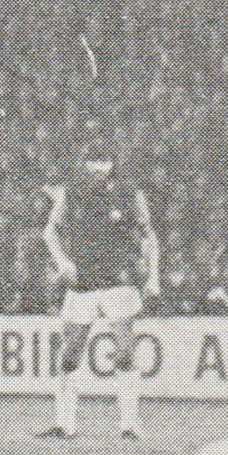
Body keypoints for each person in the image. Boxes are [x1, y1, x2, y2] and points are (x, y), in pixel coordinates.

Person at [39, 145, 160, 440]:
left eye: (103, 162)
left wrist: (153, 276)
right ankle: (65, 424)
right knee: (69, 355)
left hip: (119, 281)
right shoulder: (71, 193)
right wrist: (63, 262)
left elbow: (148, 236)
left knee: (124, 352)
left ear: (112, 164)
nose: (97, 168)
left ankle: (129, 425)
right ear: (83, 165)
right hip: (83, 283)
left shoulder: (129, 194)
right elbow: (50, 231)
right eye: (92, 162)